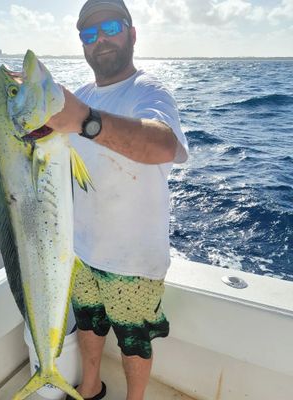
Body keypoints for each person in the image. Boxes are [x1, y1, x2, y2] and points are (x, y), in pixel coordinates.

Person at [47, 1, 189, 399]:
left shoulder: (149, 91)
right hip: (82, 251)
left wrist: (85, 120)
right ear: (83, 46)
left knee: (134, 341)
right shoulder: (79, 96)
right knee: (88, 325)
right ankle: (91, 388)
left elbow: (163, 144)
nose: (101, 39)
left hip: (132, 260)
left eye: (109, 27)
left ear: (132, 33)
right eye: (89, 35)